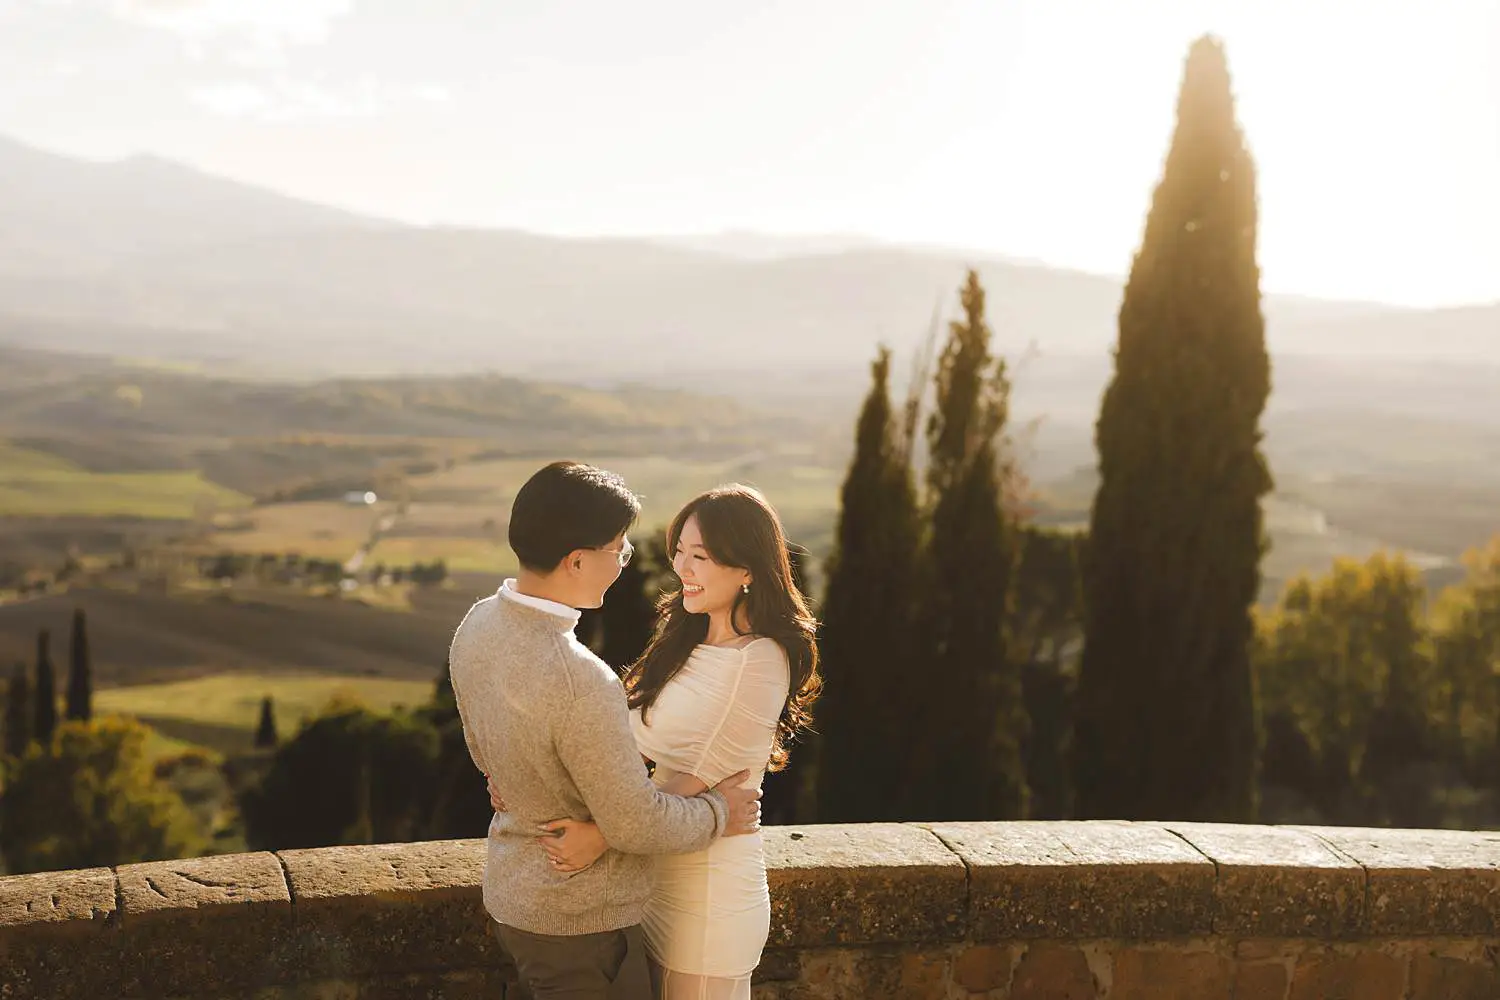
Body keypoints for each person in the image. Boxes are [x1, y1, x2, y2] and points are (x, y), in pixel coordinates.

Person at [491, 484, 821, 1000]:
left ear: (749, 569)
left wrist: (599, 835)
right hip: (650, 871)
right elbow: (615, 743)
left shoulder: (759, 659)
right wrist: (527, 778)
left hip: (707, 889)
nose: (683, 569)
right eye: (680, 553)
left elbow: (703, 776)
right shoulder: (685, 642)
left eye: (702, 557)